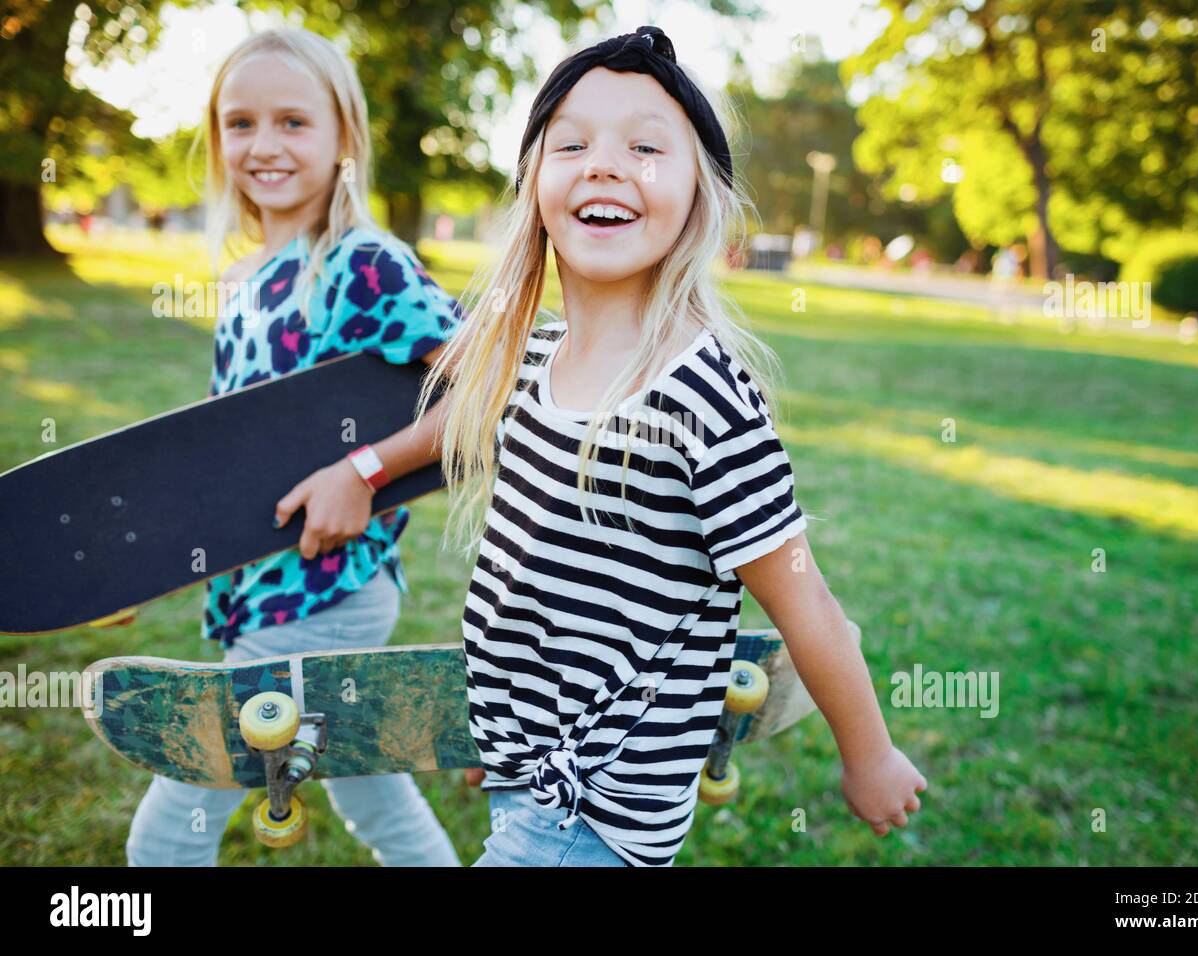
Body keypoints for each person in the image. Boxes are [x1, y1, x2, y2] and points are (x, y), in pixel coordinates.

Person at [418, 25, 927, 867]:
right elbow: (538, 589)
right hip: (532, 781)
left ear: (702, 195)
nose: (605, 164)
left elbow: (808, 604)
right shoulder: (535, 361)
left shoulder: (697, 397)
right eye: (571, 143)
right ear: (534, 183)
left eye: (647, 148)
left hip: (592, 815)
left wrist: (869, 755)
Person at [126, 28, 464, 867]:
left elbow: (484, 397)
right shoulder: (244, 281)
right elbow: (230, 457)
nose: (264, 145)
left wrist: (365, 470)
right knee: (370, 789)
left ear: (344, 136)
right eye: (240, 123)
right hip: (265, 584)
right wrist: (137, 563)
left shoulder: (365, 265)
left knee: (171, 831)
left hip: (324, 590)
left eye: (293, 122)